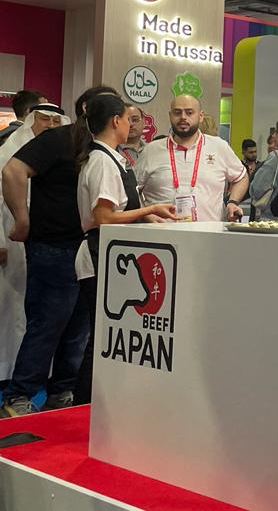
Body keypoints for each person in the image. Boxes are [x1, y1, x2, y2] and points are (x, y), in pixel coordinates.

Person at [0, 85, 117, 417]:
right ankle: (19, 396)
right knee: (48, 324)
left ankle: (60, 391)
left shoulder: (102, 149)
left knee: (79, 329)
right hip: (53, 247)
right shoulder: (58, 139)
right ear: (85, 110)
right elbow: (12, 171)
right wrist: (22, 218)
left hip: (86, 250)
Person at [73, 93, 176, 404]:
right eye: (129, 119)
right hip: (100, 254)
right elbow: (103, 217)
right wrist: (148, 210)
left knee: (106, 336)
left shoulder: (110, 157)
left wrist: (150, 217)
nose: (133, 126)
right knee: (101, 336)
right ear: (115, 121)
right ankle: (84, 405)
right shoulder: (103, 161)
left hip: (112, 255)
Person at [0, 103, 70, 386]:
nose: (50, 125)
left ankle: (43, 372)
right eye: (44, 120)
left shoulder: (63, 150)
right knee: (12, 306)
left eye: (56, 120)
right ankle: (7, 371)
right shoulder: (8, 151)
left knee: (45, 311)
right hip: (11, 238)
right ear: (31, 120)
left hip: (47, 243)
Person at [135, 95, 248, 222]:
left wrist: (232, 202)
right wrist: (145, 213)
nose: (183, 117)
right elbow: (132, 190)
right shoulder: (151, 150)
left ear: (200, 116)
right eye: (177, 112)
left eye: (189, 112)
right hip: (162, 235)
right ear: (170, 116)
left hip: (209, 235)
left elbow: (241, 177)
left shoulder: (219, 146)